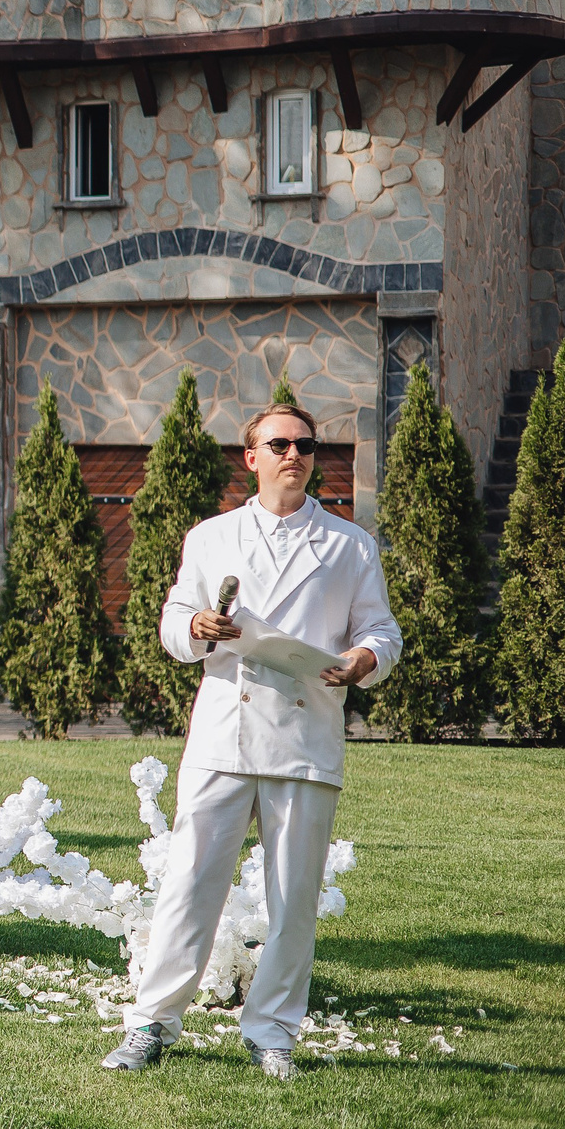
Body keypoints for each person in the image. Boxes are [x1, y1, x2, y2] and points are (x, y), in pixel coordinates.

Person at [101, 400, 401, 1081]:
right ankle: (151, 1022)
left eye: (305, 444)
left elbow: (382, 632)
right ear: (252, 456)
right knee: (190, 882)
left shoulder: (352, 545)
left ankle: (272, 1031)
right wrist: (198, 626)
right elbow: (174, 619)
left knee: (294, 896)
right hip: (223, 730)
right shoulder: (211, 538)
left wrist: (361, 661)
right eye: (280, 443)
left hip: (306, 727)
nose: (294, 454)